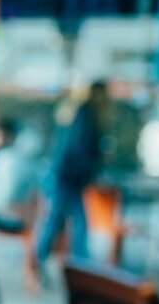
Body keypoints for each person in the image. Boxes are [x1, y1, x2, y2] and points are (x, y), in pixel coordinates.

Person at [33, 80, 110, 268]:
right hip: (69, 176)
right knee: (70, 220)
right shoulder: (87, 114)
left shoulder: (81, 112)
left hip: (68, 174)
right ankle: (78, 265)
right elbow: (78, 148)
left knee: (61, 219)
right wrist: (89, 169)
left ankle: (45, 259)